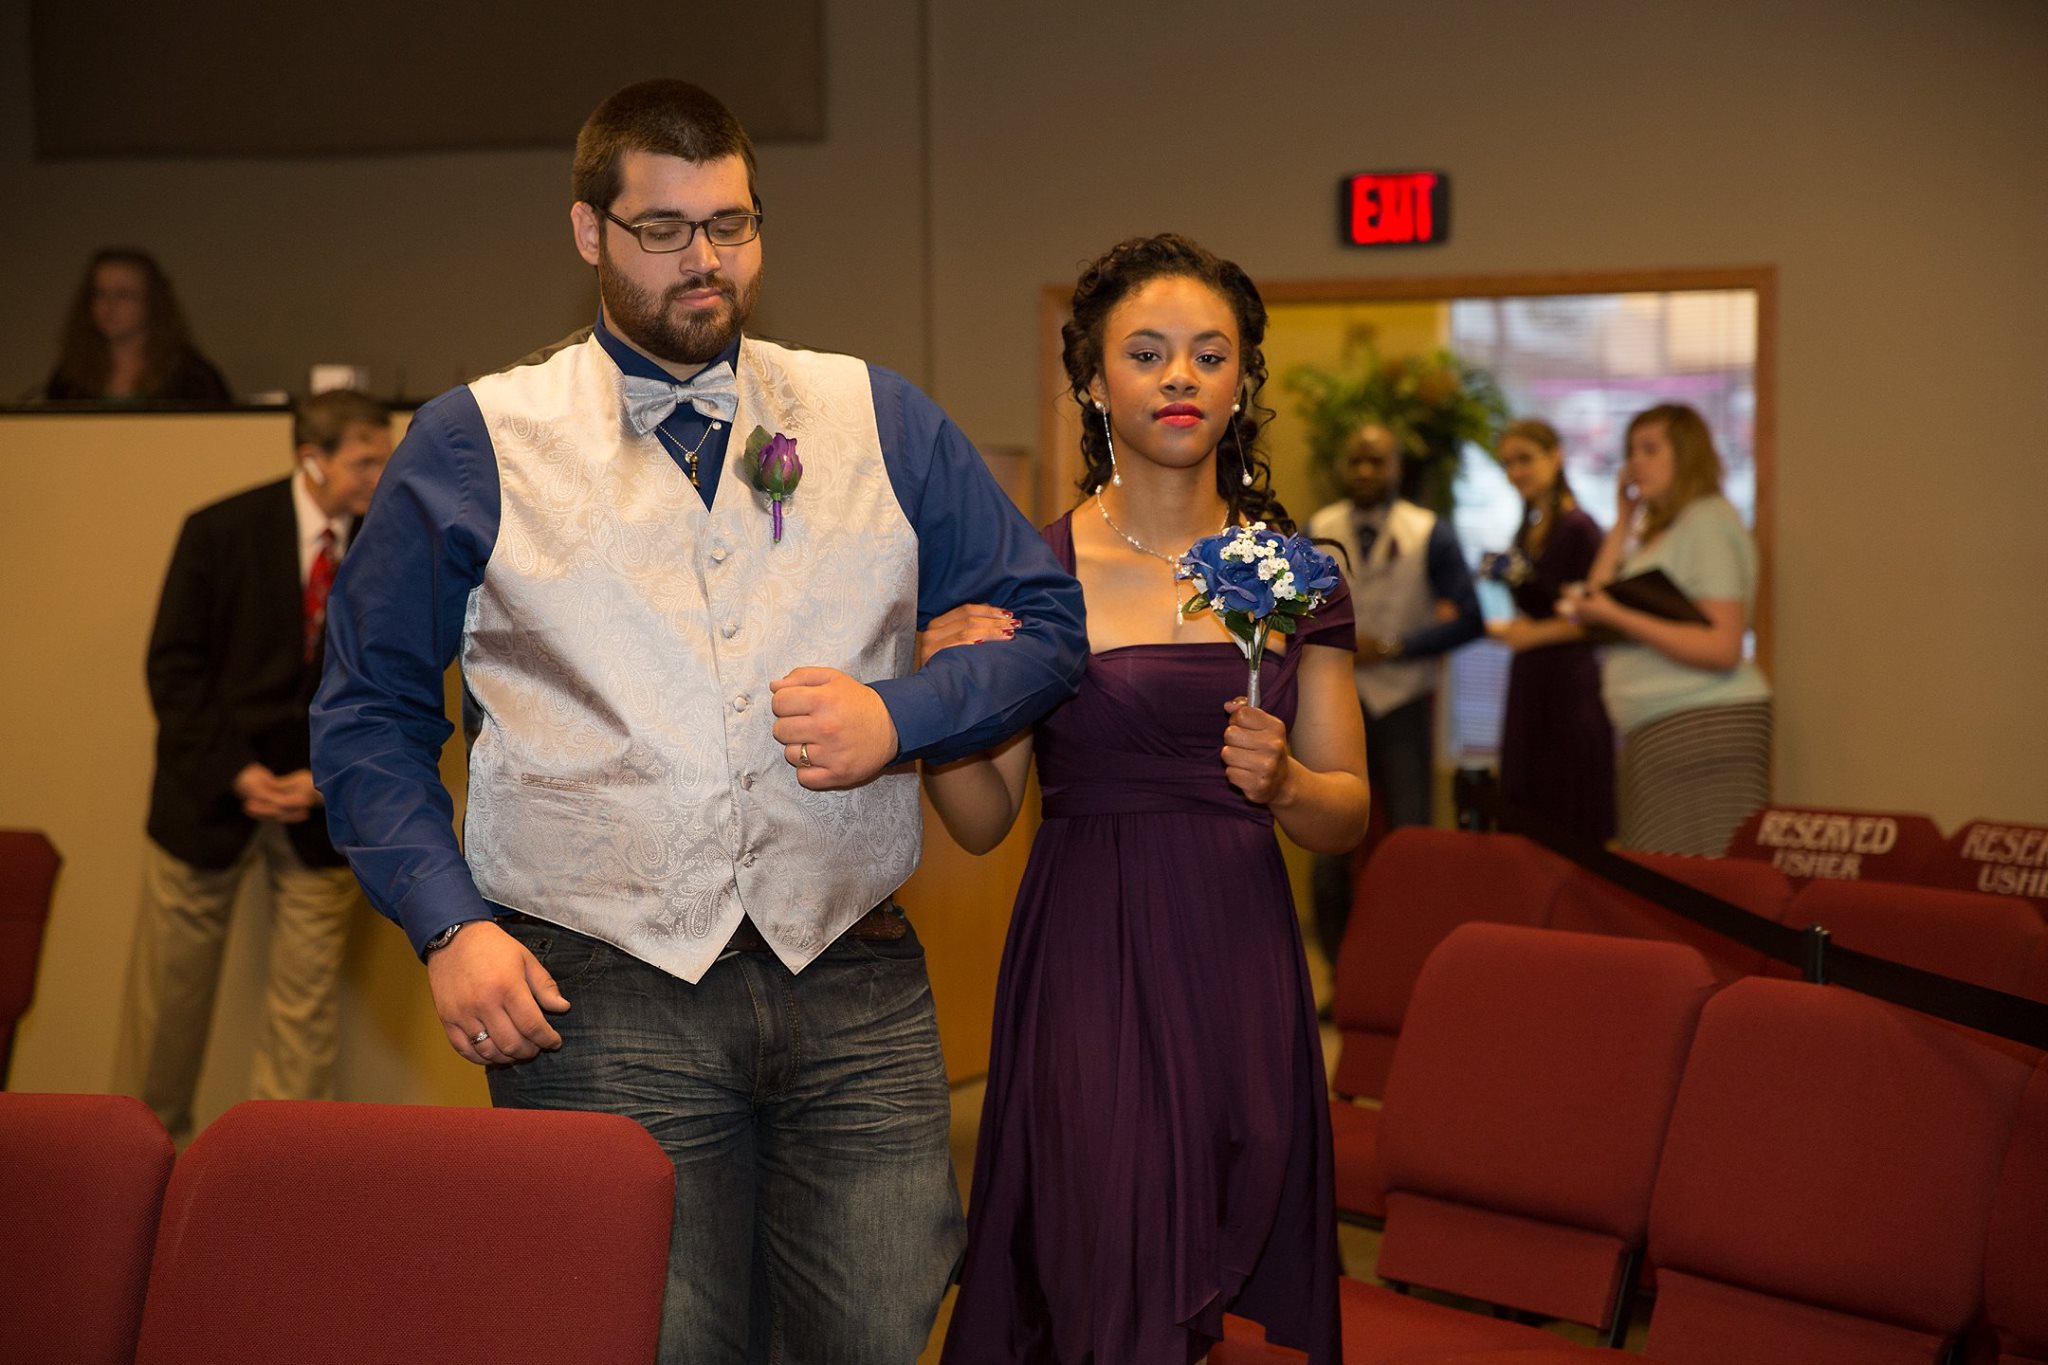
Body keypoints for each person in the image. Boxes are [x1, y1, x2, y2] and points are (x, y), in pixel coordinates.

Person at [308, 80, 1087, 1365]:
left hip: (852, 972)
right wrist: (448, 924)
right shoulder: (473, 441)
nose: (705, 260)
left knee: (878, 1330)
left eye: (731, 225)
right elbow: (367, 715)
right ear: (589, 232)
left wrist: (901, 716)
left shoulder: (875, 415)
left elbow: (1048, 624)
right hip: (596, 984)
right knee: (651, 1339)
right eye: (664, 230)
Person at [927, 234, 1368, 1365]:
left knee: (1223, 1223)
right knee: (1104, 1234)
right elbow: (982, 820)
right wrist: (943, 701)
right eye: (1147, 353)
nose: (1180, 377)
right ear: (1092, 380)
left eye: (1210, 355)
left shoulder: (1297, 574)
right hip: (1089, 948)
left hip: (1237, 953)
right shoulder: (1032, 574)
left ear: (1241, 382)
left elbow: (1345, 815)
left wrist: (1286, 782)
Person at [114, 389, 391, 1143]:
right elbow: (174, 670)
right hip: (207, 802)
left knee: (305, 1017)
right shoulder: (219, 531)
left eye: (386, 458)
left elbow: (396, 682)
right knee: (168, 1011)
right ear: (313, 459)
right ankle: (138, 1164)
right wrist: (236, 770)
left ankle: (276, 1175)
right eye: (365, 461)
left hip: (323, 810)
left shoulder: (391, 546)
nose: (381, 476)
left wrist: (328, 775)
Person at [1304, 422, 1482, 965]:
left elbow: (1471, 619)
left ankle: (1410, 971)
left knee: (1410, 842)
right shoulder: (1319, 528)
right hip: (1335, 703)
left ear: (1398, 468)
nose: (1364, 471)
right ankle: (1341, 974)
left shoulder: (1429, 532)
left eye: (1376, 461)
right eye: (1356, 460)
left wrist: (1396, 646)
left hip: (1403, 702)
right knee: (1329, 849)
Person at [1563, 402, 1771, 855]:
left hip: (1701, 724)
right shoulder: (1660, 532)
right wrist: (1623, 519)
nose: (1634, 463)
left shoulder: (1707, 521)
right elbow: (1596, 598)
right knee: (1654, 867)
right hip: (1659, 725)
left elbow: (1722, 647)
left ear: (1687, 453)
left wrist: (1620, 618)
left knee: (1686, 875)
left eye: (1650, 449)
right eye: (1631, 450)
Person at [1480, 418, 1615, 841]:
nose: (1516, 471)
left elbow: (1595, 618)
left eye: (1525, 459)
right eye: (1507, 463)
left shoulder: (1579, 529)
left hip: (1567, 683)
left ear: (1556, 457)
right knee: (1526, 804)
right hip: (1532, 678)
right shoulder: (1529, 527)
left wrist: (1532, 635)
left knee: (1563, 806)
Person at [42, 248, 231, 404]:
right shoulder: (69, 380)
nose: (109, 306)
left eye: (123, 295)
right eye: (100, 294)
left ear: (153, 302)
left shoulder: (192, 378)